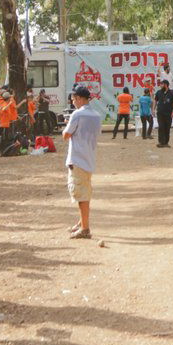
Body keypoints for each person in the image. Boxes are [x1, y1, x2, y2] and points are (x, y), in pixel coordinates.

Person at [62, 87, 101, 239]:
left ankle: (85, 228)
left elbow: (66, 135)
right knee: (85, 192)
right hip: (89, 158)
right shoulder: (96, 115)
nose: (73, 102)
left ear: (79, 98)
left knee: (80, 195)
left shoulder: (77, 114)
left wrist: (66, 125)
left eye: (73, 99)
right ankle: (81, 222)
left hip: (77, 159)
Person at [154, 80, 173, 148]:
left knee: (167, 127)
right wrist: (153, 109)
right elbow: (155, 101)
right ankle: (161, 142)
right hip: (160, 113)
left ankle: (166, 143)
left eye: (162, 84)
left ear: (166, 85)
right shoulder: (158, 92)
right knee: (161, 127)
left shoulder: (172, 93)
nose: (160, 86)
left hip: (168, 113)